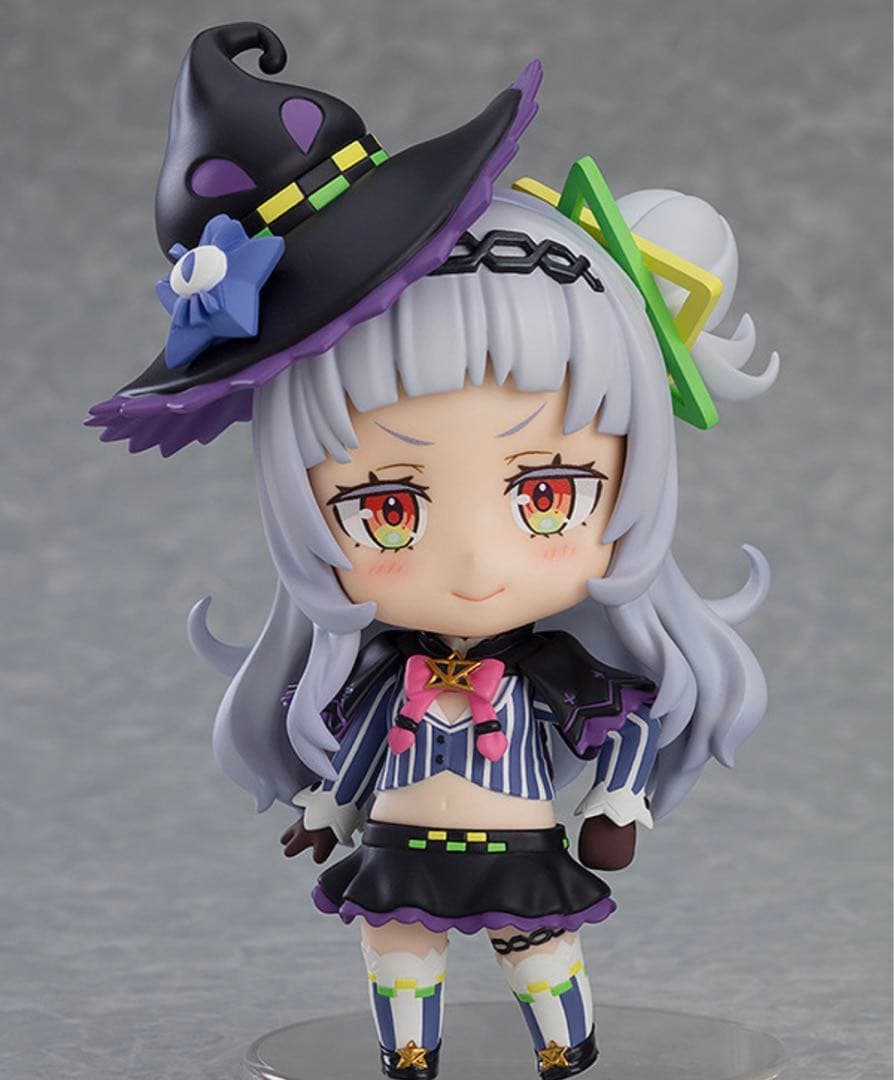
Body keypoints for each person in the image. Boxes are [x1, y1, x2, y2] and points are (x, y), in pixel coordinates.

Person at [88, 21, 777, 1080]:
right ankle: (409, 1054)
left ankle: (566, 1046)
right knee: (396, 946)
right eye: (385, 508)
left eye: (547, 493)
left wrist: (619, 798)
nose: (474, 563)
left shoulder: (547, 669)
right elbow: (359, 744)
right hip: (400, 845)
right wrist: (329, 804)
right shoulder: (383, 679)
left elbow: (618, 723)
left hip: (523, 842)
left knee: (538, 947)